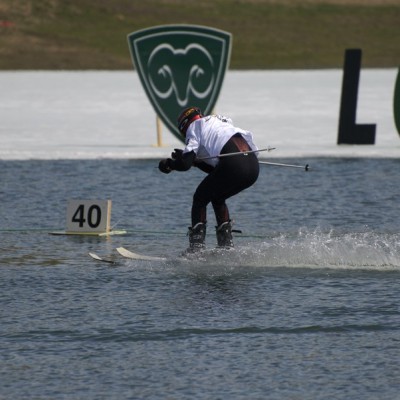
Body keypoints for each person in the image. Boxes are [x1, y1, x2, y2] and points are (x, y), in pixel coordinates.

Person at [158, 106, 259, 252]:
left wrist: (169, 164)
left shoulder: (194, 126)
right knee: (217, 196)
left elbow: (184, 165)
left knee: (200, 198)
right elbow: (216, 172)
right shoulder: (218, 124)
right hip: (253, 168)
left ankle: (196, 248)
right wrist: (195, 161)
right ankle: (226, 246)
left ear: (184, 125)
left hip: (234, 165)